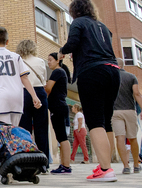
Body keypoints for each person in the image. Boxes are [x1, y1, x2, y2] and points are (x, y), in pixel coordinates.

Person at [58, 0, 120, 181]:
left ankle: (106, 170)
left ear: (74, 11)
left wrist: (62, 51)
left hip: (92, 72)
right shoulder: (103, 26)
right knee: (106, 121)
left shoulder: (79, 22)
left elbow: (72, 43)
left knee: (95, 122)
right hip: (113, 71)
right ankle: (106, 165)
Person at [0, 26, 41, 127]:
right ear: (7, 42)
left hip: (0, 98)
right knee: (13, 133)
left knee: (2, 135)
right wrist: (34, 96)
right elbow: (24, 78)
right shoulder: (16, 57)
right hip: (17, 98)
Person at [16, 39, 49, 171]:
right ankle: (44, 163)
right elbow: (44, 81)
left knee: (25, 129)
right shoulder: (40, 61)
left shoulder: (18, 61)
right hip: (39, 92)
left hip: (23, 92)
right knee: (41, 128)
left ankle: (26, 161)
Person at [111, 58, 142, 174]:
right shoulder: (131, 76)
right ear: (123, 65)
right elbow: (137, 94)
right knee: (132, 138)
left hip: (115, 112)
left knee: (120, 138)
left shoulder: (110, 77)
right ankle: (136, 165)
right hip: (129, 110)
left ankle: (125, 166)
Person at [45, 53, 72, 174]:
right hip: (59, 107)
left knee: (62, 137)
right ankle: (64, 164)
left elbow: (48, 88)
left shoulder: (57, 72)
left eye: (50, 60)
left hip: (58, 107)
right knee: (61, 137)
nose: (48, 62)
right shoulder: (60, 72)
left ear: (57, 61)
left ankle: (66, 166)